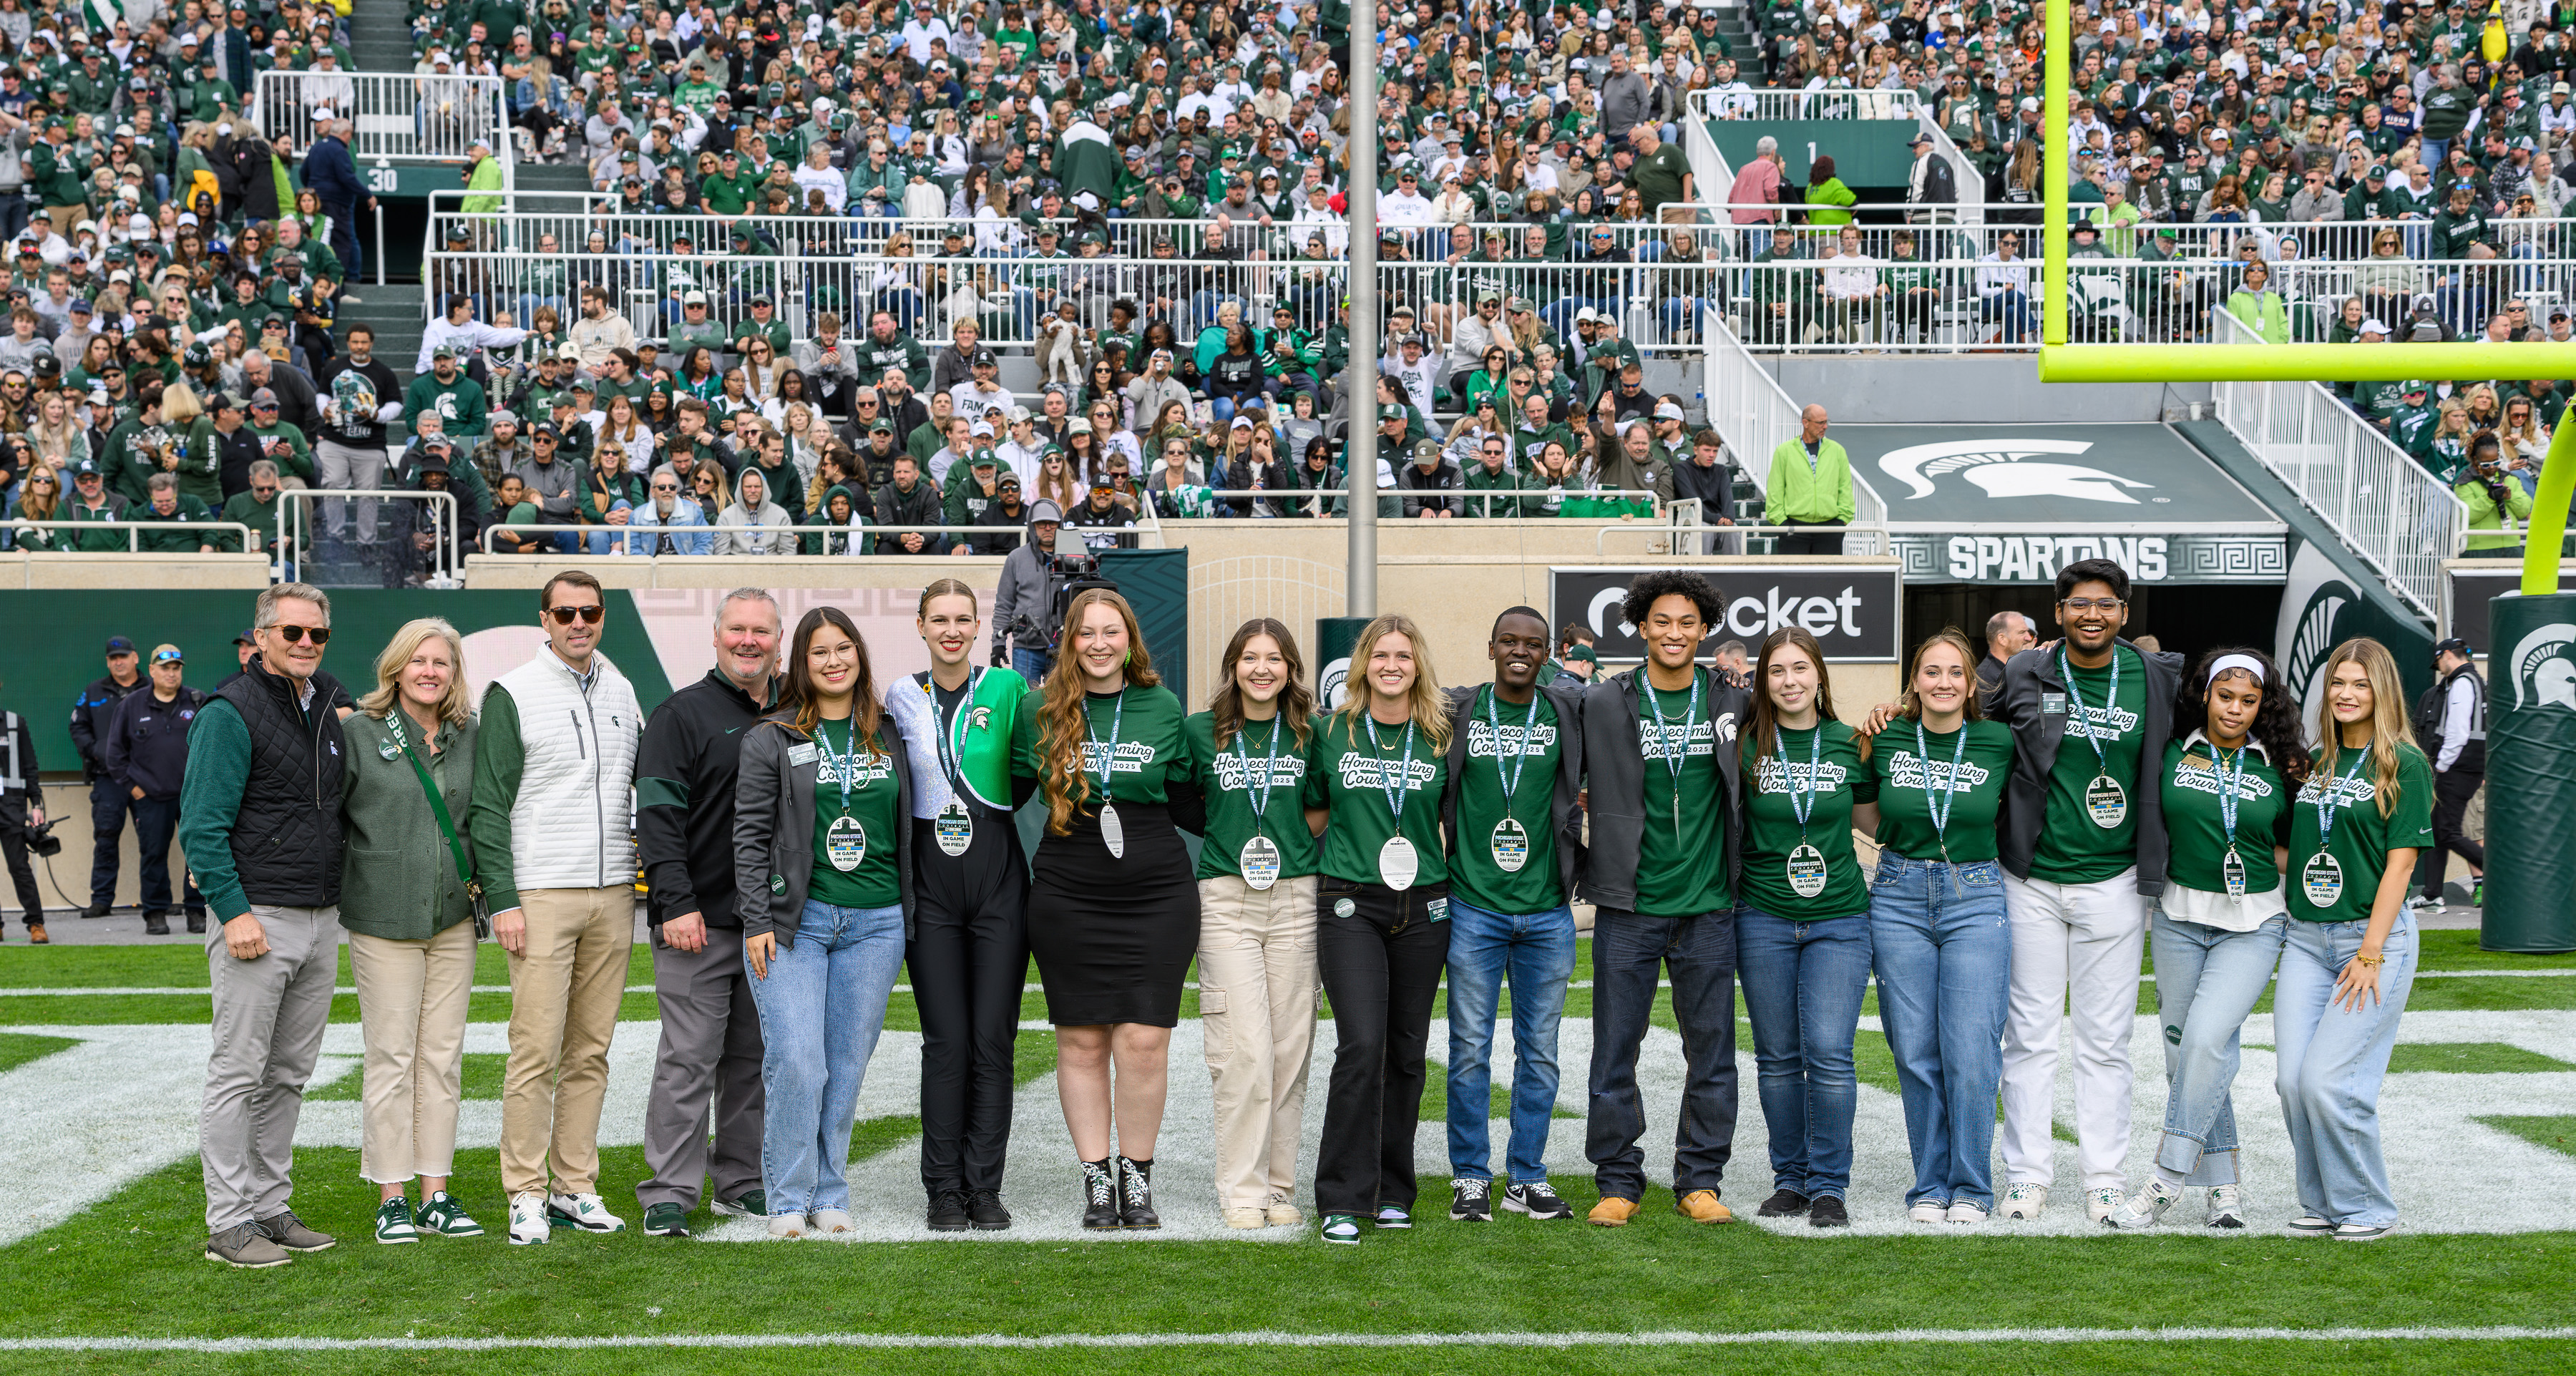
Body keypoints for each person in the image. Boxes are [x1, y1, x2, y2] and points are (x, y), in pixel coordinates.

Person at [1989, 558, 2183, 1223]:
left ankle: (2104, 1177)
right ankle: (2026, 1175)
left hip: (2117, 882)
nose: (2091, 614)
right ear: (2059, 612)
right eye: (2078, 604)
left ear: (2125, 613)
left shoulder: (2157, 675)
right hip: (2031, 879)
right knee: (2030, 1037)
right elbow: (1972, 727)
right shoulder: (2025, 671)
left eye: (2104, 604)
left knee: (2105, 1041)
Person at [1008, 589, 1200, 1229]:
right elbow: (1003, 792)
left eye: (1110, 631)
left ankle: (1136, 1177)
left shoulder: (1162, 705)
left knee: (1145, 1041)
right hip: (1069, 891)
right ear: (1068, 640)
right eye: (1085, 632)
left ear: (1130, 639)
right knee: (1082, 1039)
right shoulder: (1038, 708)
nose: (1098, 643)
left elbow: (1184, 796)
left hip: (1156, 893)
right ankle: (1096, 1178)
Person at [469, 570, 646, 1246]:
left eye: (591, 611)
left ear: (603, 616)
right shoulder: (512, 691)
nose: (579, 622)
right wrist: (503, 899)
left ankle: (575, 1184)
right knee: (535, 1048)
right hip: (540, 893)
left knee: (590, 1050)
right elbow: (488, 803)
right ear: (543, 618)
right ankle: (524, 1191)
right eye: (565, 612)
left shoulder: (623, 688)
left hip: (613, 894)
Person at [178, 583, 351, 1267]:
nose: (306, 643)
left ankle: (269, 1205)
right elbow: (202, 825)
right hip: (258, 917)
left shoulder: (331, 703)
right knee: (238, 1072)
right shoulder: (229, 710)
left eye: (317, 634)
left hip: (320, 915)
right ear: (262, 638)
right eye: (293, 633)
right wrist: (233, 910)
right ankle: (228, 1222)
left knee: (288, 1075)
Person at [2104, 649, 2306, 1231]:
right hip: (2178, 917)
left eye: (2249, 700)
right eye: (2226, 696)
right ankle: (2224, 1189)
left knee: (2206, 1041)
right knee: (2184, 1055)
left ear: (2262, 704)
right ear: (2205, 695)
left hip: (2255, 922)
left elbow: (2297, 844)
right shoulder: (2171, 747)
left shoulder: (2283, 763)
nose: (2236, 710)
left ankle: (2166, 1179)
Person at [732, 605, 917, 1238]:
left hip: (877, 922)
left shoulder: (888, 732)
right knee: (797, 1059)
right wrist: (757, 916)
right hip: (795, 923)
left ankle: (830, 1188)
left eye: (845, 648)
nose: (834, 660)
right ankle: (786, 1196)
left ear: (860, 656)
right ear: (801, 665)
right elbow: (750, 836)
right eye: (820, 652)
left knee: (845, 1065)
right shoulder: (772, 736)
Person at [1581, 571, 1752, 1226]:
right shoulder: (1603, 700)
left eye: (1687, 623)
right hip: (1629, 907)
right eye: (1661, 622)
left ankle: (1699, 1179)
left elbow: (1808, 710)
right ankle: (1619, 1179)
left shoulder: (1733, 699)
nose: (1674, 633)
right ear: (1641, 627)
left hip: (1709, 906)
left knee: (1711, 1052)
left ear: (1704, 629)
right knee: (1613, 1050)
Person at [633, 590, 783, 1239]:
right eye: (737, 629)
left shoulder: (795, 712)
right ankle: (669, 1190)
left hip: (771, 925)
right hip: (700, 921)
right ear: (715, 635)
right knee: (689, 1059)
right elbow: (658, 819)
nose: (749, 641)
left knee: (753, 1060)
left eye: (762, 630)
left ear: (779, 638)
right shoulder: (681, 714)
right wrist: (676, 901)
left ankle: (741, 1178)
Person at [884, 580, 1030, 1232]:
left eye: (962, 619)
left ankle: (985, 1186)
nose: (950, 629)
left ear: (978, 627)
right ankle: (943, 1188)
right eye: (938, 618)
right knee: (946, 1042)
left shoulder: (1006, 688)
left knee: (992, 1041)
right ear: (919, 625)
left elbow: (1024, 771)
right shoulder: (897, 694)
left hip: (999, 881)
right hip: (930, 890)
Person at [1858, 629, 2016, 1224]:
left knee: (1972, 1048)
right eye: (1931, 671)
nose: (1944, 681)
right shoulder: (1886, 735)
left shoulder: (1999, 740)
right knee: (1914, 1047)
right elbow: (1867, 813)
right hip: (1897, 893)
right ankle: (1930, 1183)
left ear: (1971, 683)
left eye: (1955, 672)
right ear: (1914, 682)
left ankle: (1973, 1186)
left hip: (1974, 894)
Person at [338, 618, 487, 1245]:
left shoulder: (470, 734)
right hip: (382, 918)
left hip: (453, 918)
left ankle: (436, 1192)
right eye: (419, 660)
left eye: (442, 662)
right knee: (393, 1057)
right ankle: (391, 1196)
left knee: (442, 1058)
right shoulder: (359, 733)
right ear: (396, 667)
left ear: (455, 672)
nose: (430, 671)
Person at [1304, 613, 1451, 1244]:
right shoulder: (1330, 732)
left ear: (1418, 664)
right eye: (1381, 654)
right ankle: (1342, 1194)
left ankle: (1394, 1188)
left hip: (1425, 907)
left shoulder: (1441, 734)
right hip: (1350, 902)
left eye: (1404, 655)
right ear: (1362, 663)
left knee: (1407, 1053)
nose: (1392, 665)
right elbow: (1312, 810)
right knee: (1362, 1044)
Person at [2277, 638, 2430, 1241]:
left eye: (2359, 684)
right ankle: (2323, 1201)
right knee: (2291, 1080)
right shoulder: (2320, 759)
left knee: (2329, 1080)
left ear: (2382, 691)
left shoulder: (2404, 763)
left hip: (2372, 941)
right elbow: (2306, 854)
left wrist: (2370, 951)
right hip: (2306, 940)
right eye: (2338, 682)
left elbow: (2400, 865)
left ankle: (2368, 1205)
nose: (2345, 693)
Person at [1438, 607, 1586, 1224]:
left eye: (1533, 643)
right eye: (1509, 641)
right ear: (1491, 645)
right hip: (1474, 906)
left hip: (1548, 911)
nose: (1520, 651)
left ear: (1548, 651)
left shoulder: (1567, 710)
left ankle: (1527, 1174)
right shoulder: (1458, 712)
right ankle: (1471, 1176)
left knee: (1541, 1052)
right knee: (1470, 1049)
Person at [1184, 618, 1323, 1230]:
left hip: (1296, 894)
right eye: (1249, 657)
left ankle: (1278, 1186)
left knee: (1290, 1050)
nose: (1261, 669)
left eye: (1274, 658)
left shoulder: (1310, 734)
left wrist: (1281, 841)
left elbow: (1318, 806)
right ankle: (1241, 1190)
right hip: (1225, 897)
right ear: (1232, 665)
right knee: (1244, 1049)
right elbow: (1186, 800)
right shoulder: (1200, 731)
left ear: (1292, 668)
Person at [1734, 628, 1876, 1228]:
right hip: (1763, 915)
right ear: (1762, 681)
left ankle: (1828, 1185)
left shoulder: (1853, 744)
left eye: (1800, 668)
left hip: (1840, 917)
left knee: (1830, 1054)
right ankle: (1789, 1178)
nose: (1789, 681)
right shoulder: (1746, 747)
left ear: (1820, 675)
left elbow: (1877, 821)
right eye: (1777, 671)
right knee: (1776, 1056)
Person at [102, 645, 208, 935]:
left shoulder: (198, 701)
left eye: (176, 668)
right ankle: (155, 913)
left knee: (198, 855)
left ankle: (197, 912)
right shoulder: (132, 705)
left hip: (192, 797)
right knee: (153, 855)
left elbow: (215, 745)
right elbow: (115, 754)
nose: (171, 674)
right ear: (151, 671)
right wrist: (134, 789)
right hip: (150, 797)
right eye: (165, 668)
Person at [68, 634, 145, 919]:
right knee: (105, 839)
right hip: (108, 778)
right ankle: (101, 901)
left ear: (135, 658)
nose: (119, 662)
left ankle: (156, 903)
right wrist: (98, 751)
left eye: (123, 657)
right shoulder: (94, 691)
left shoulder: (152, 687)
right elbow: (78, 727)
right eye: (113, 659)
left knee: (153, 841)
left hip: (144, 780)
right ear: (108, 662)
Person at [2413, 638, 2487, 908]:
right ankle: (2432, 893)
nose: (2440, 669)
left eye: (2439, 663)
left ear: (2446, 655)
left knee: (2446, 831)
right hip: (2468, 766)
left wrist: (2441, 766)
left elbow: (2457, 732)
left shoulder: (2462, 683)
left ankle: (2504, 871)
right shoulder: (2477, 681)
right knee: (2437, 827)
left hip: (2456, 767)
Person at [991, 498, 1068, 681]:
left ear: (1060, 525)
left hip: (1065, 648)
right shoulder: (1016, 559)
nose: (1048, 527)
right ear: (1032, 526)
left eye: (1053, 523)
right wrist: (998, 644)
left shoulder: (1073, 557)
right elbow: (1004, 605)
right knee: (1024, 701)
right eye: (1042, 523)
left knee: (1062, 704)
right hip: (1025, 648)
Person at [1765, 405, 1853, 556]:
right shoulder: (1784, 451)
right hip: (1794, 528)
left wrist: (1842, 520)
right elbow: (1775, 489)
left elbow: (1845, 487)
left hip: (1830, 528)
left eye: (1826, 422)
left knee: (1827, 579)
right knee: (1793, 578)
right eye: (1820, 423)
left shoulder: (1837, 451)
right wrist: (1782, 524)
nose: (1825, 427)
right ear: (1805, 423)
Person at [0, 696, 39, 942]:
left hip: (11, 808)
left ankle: (36, 924)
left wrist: (36, 803)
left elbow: (29, 765)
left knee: (20, 867)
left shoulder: (15, 723)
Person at [1978, 610, 2036, 712]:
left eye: (2028, 632)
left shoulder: (2012, 672)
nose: (2028, 638)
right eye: (2022, 632)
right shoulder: (1984, 680)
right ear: (2002, 639)